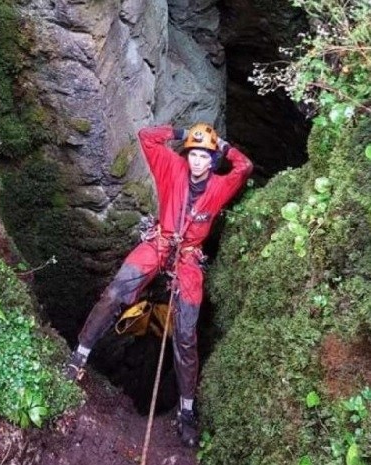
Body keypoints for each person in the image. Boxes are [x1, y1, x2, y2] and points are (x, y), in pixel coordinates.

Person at [64, 123, 253, 447]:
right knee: (114, 294)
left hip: (188, 258)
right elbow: (147, 137)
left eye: (203, 156)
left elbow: (244, 166)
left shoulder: (220, 187)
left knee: (185, 334)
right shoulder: (171, 166)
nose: (196, 161)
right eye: (193, 154)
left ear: (211, 161)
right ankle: (80, 355)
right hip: (160, 242)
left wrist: (222, 144)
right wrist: (182, 132)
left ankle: (187, 411)